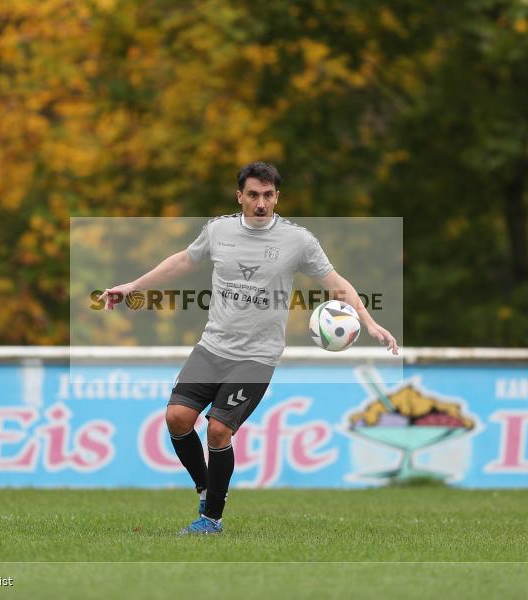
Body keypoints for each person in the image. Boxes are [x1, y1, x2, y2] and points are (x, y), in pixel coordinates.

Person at [99, 161, 398, 535]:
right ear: (239, 196)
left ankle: (211, 519)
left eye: (268, 195)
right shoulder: (218, 230)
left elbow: (337, 283)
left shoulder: (298, 241)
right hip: (212, 347)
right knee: (176, 418)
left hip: (257, 356)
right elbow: (182, 261)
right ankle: (206, 488)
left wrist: (368, 322)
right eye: (253, 195)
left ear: (277, 197)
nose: (261, 203)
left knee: (218, 430)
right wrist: (132, 287)